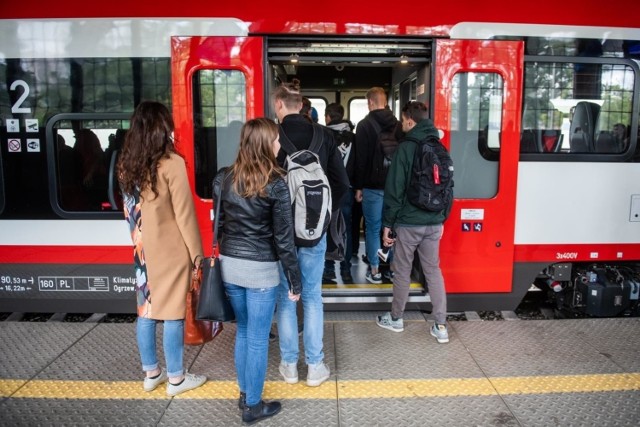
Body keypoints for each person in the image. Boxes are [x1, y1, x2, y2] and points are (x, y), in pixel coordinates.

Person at [213, 118, 302, 424]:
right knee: (258, 339)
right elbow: (284, 239)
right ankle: (253, 405)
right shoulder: (276, 182)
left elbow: (219, 227)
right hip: (261, 271)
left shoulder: (224, 178)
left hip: (230, 266)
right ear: (266, 144)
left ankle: (244, 392)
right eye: (276, 139)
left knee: (244, 332)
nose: (279, 145)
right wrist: (295, 280)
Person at [117, 101, 207, 396]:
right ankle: (177, 379)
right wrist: (197, 254)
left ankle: (151, 372)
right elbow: (184, 214)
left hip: (143, 252)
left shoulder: (126, 165)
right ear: (162, 127)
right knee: (172, 315)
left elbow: (129, 212)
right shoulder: (171, 163)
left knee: (146, 312)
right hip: (170, 252)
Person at [273, 79, 349, 387]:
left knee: (286, 297)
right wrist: (324, 219)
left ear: (279, 104)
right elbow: (342, 185)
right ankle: (315, 367)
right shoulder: (325, 135)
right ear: (302, 104)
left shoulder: (271, 135)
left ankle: (289, 366)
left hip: (281, 235)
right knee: (313, 297)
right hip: (315, 232)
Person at [375, 101, 449, 344]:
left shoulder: (406, 147)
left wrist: (388, 223)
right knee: (433, 270)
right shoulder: (438, 145)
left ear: (409, 120)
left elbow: (394, 189)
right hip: (434, 221)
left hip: (409, 221)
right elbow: (448, 185)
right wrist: (442, 217)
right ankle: (440, 325)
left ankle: (396, 318)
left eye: (403, 120)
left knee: (402, 270)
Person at [354, 87, 401, 284]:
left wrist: (358, 186)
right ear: (385, 102)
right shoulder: (398, 125)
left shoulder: (364, 125)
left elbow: (361, 159)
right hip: (394, 187)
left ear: (370, 102)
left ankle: (374, 270)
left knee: (372, 229)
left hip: (372, 187)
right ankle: (390, 267)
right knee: (390, 227)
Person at [322, 102, 356, 283]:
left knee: (328, 228)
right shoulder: (353, 137)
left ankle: (328, 270)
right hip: (348, 190)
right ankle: (346, 269)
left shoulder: (324, 135)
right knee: (347, 229)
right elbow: (357, 163)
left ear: (327, 117)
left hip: (328, 190)